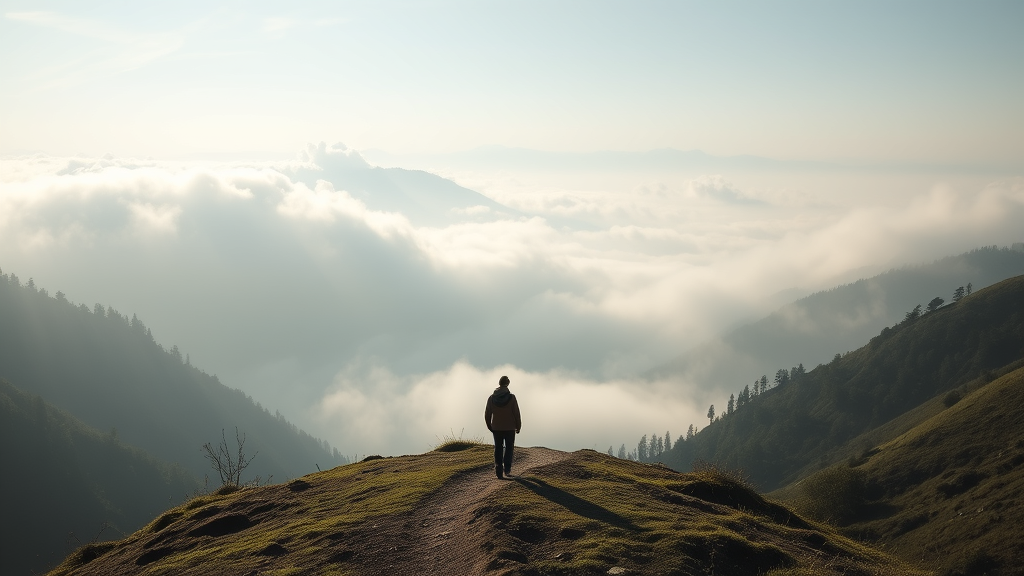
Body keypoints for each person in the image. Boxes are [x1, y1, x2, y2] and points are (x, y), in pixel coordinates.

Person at [484, 375, 521, 479]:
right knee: (509, 448)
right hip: (509, 427)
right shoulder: (511, 397)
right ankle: (507, 469)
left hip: (496, 427)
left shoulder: (491, 398)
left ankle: (498, 469)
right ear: (507, 384)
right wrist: (518, 426)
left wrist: (490, 426)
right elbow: (516, 413)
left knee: (498, 448)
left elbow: (487, 414)